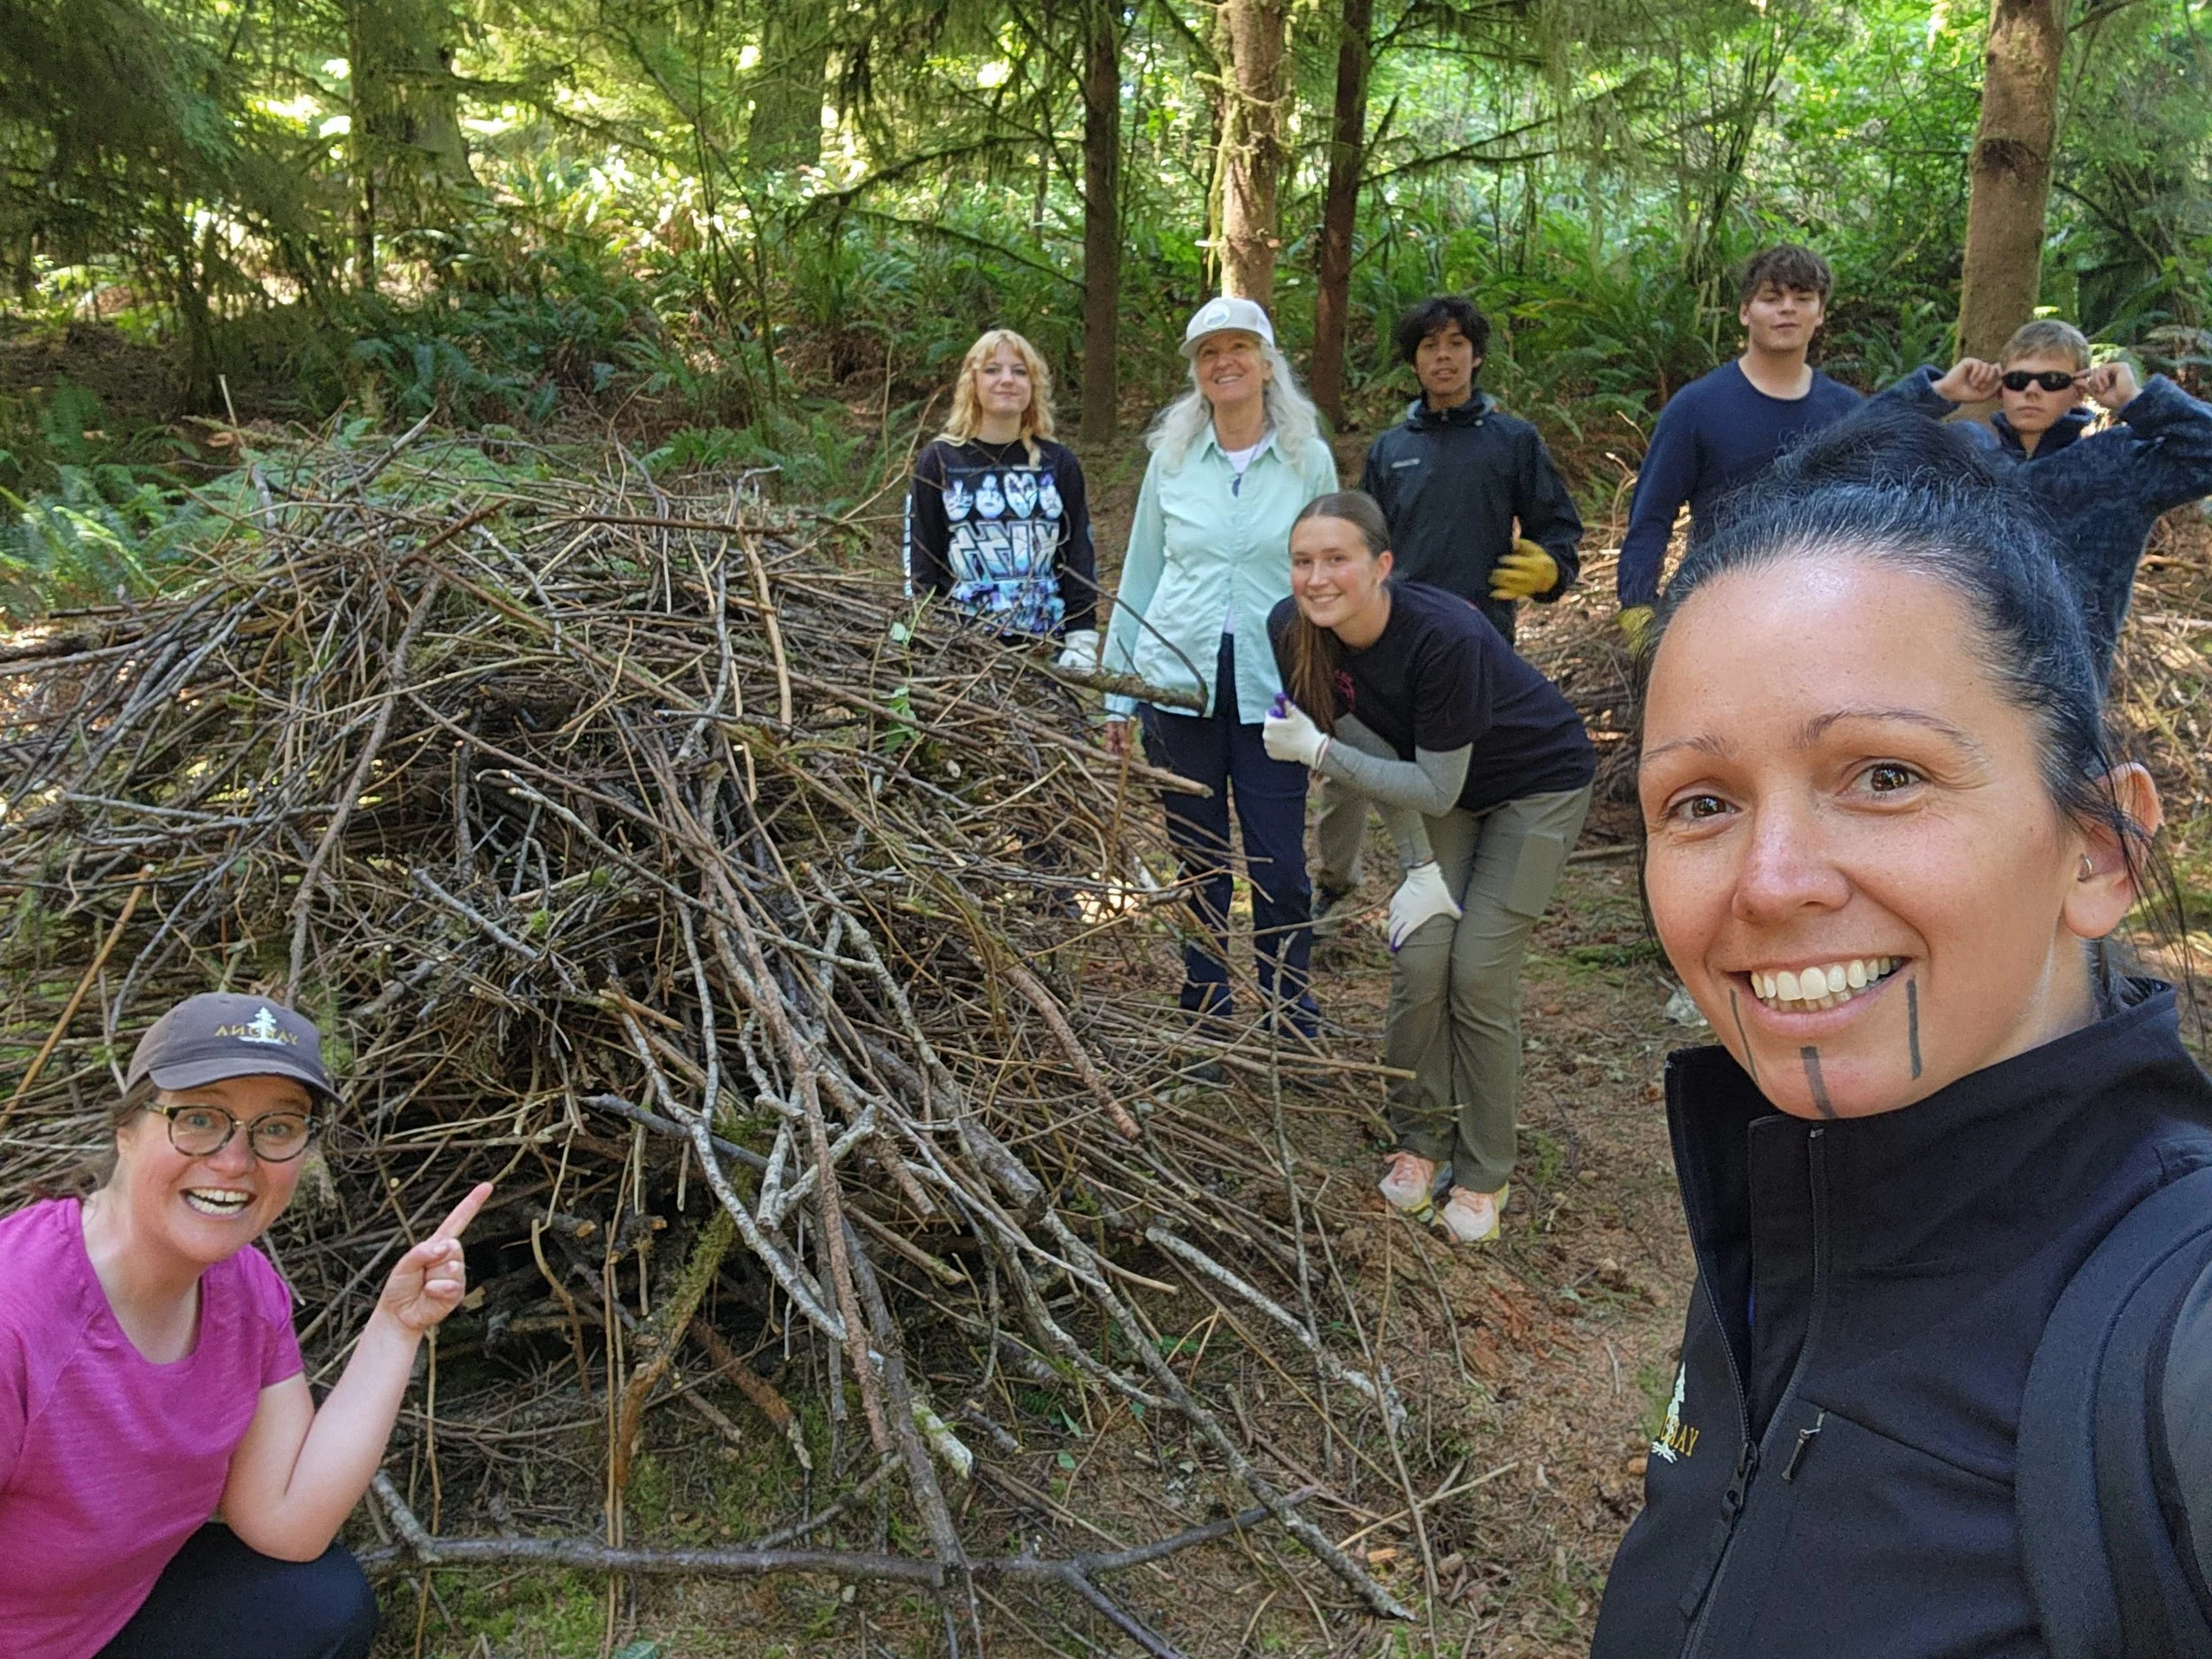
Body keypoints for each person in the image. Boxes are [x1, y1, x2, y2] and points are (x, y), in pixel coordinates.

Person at [1591, 406, 2212, 1655]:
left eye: (1885, 774)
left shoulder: (2181, 1345)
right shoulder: (1792, 1207)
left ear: (2100, 847)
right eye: (1701, 801)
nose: (1771, 881)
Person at [0, 992, 491, 1659]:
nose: (235, 1160)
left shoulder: (246, 1288)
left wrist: (396, 1326)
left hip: (109, 1618)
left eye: (277, 1128)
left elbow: (288, 1520)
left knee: (319, 1605)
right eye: (199, 1118)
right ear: (127, 1127)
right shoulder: (17, 1313)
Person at [1264, 493, 1594, 1241]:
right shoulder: (1291, 628)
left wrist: (1316, 752)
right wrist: (1417, 866)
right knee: (1421, 960)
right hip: (1441, 796)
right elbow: (1379, 759)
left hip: (1534, 785)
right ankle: (1419, 1139)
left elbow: (1433, 782)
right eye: (1303, 560)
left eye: (1337, 559)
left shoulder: (1444, 634)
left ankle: (1484, 1169)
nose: (1317, 578)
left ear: (1382, 565)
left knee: (1477, 970)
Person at [1101, 296, 1339, 1033]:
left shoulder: (1307, 458)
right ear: (1196, 372)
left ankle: (1286, 1009)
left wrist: (1337, 696)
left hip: (1277, 690)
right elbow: (1140, 577)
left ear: (1267, 363)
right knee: (1198, 861)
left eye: (1239, 347)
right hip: (1177, 685)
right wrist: (1115, 697)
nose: (1224, 362)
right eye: (1209, 352)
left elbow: (1333, 577)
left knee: (1279, 862)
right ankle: (1206, 1006)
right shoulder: (1171, 460)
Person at [1310, 296, 1584, 932]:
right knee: (1350, 767)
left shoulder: (1512, 441)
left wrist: (1550, 573)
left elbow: (1557, 528)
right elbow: (1362, 539)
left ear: (1477, 354)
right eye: (1430, 346)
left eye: (1456, 343)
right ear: (1413, 362)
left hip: (1477, 640)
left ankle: (1466, 889)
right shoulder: (1390, 448)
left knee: (1468, 769)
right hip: (1385, 637)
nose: (1444, 357)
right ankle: (1334, 885)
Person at [1872, 317, 2212, 685]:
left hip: (2065, 693)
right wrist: (1937, 394)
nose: (2032, 391)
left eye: (2052, 381)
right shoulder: (1960, 453)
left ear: (2079, 389)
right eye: (2018, 380)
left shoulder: (2119, 464)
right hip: (1957, 683)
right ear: (2001, 387)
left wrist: (2138, 401)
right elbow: (1843, 455)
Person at [1614, 244, 1862, 651]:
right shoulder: (1696, 408)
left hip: (1825, 618)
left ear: (1820, 314)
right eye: (1771, 298)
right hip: (1720, 615)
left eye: (1802, 299)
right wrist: (1638, 604)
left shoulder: (1846, 411)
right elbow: (1651, 517)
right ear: (1745, 312)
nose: (1787, 309)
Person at [904, 328, 1099, 669]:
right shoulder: (938, 461)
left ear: (1033, 385)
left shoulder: (1058, 463)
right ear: (972, 382)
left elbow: (1078, 555)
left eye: (1019, 371)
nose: (1007, 380)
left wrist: (1081, 638)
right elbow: (921, 559)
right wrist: (924, 637)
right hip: (960, 650)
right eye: (993, 369)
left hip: (1043, 647)